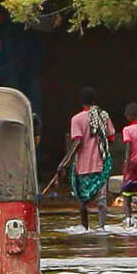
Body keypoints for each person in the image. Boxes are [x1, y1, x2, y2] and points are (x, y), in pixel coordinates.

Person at [57, 88, 116, 229]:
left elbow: (77, 142)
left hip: (82, 166)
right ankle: (102, 228)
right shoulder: (103, 116)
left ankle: (84, 229)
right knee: (101, 200)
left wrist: (64, 163)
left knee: (82, 201)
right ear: (94, 100)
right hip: (101, 163)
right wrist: (99, 148)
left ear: (81, 102)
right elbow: (111, 138)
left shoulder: (76, 119)